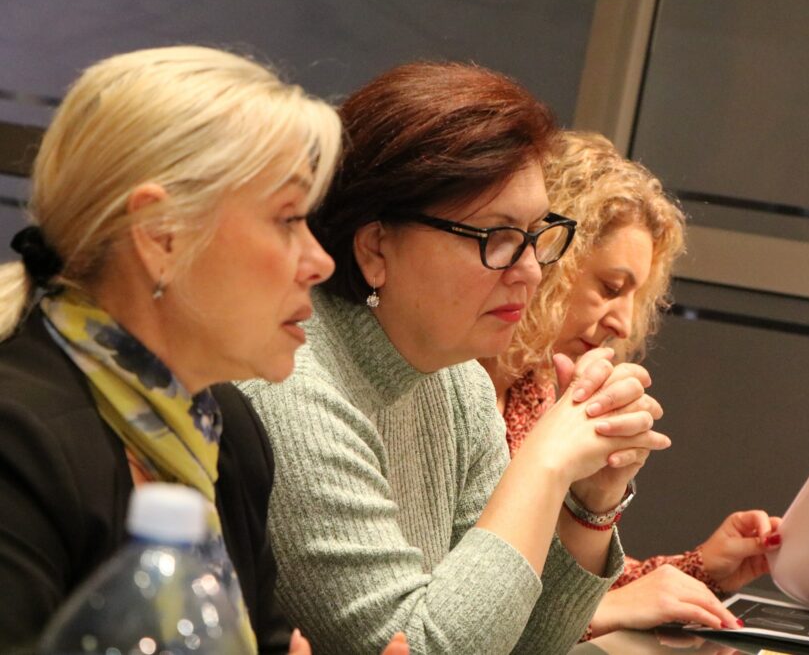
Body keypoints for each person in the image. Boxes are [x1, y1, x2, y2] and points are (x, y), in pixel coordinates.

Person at [239, 62, 687, 654]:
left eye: (538, 235)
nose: (530, 271)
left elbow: (522, 644)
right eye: (496, 238)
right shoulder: (290, 385)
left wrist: (589, 502)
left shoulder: (457, 382)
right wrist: (543, 464)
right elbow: (419, 646)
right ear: (376, 249)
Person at [0, 45, 366, 654]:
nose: (320, 261)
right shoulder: (16, 439)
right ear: (161, 233)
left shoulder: (228, 425)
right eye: (288, 219)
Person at [483, 131, 782, 638]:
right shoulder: (449, 381)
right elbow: (462, 608)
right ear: (549, 257)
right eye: (610, 288)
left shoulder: (535, 387)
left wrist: (703, 567)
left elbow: (564, 582)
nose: (623, 323)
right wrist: (596, 614)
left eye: (634, 298)